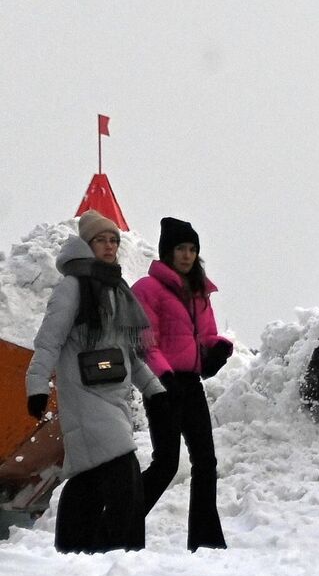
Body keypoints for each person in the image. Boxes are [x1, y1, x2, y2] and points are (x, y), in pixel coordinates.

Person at [24, 211, 169, 552]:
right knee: (124, 470)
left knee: (89, 477)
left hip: (113, 393)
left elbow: (127, 351)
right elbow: (49, 341)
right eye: (101, 240)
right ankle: (124, 551)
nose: (109, 246)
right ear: (87, 245)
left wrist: (154, 389)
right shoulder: (72, 286)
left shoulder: (115, 288)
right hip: (85, 394)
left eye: (114, 240)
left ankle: (74, 549)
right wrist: (37, 385)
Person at [132, 217, 232, 551]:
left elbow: (205, 336)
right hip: (162, 386)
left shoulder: (199, 291)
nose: (187, 255)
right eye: (180, 248)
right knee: (166, 464)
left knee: (206, 462)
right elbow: (146, 342)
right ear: (167, 251)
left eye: (192, 249)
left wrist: (216, 351)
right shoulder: (148, 290)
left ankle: (205, 540)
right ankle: (117, 526)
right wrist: (164, 377)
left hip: (190, 384)